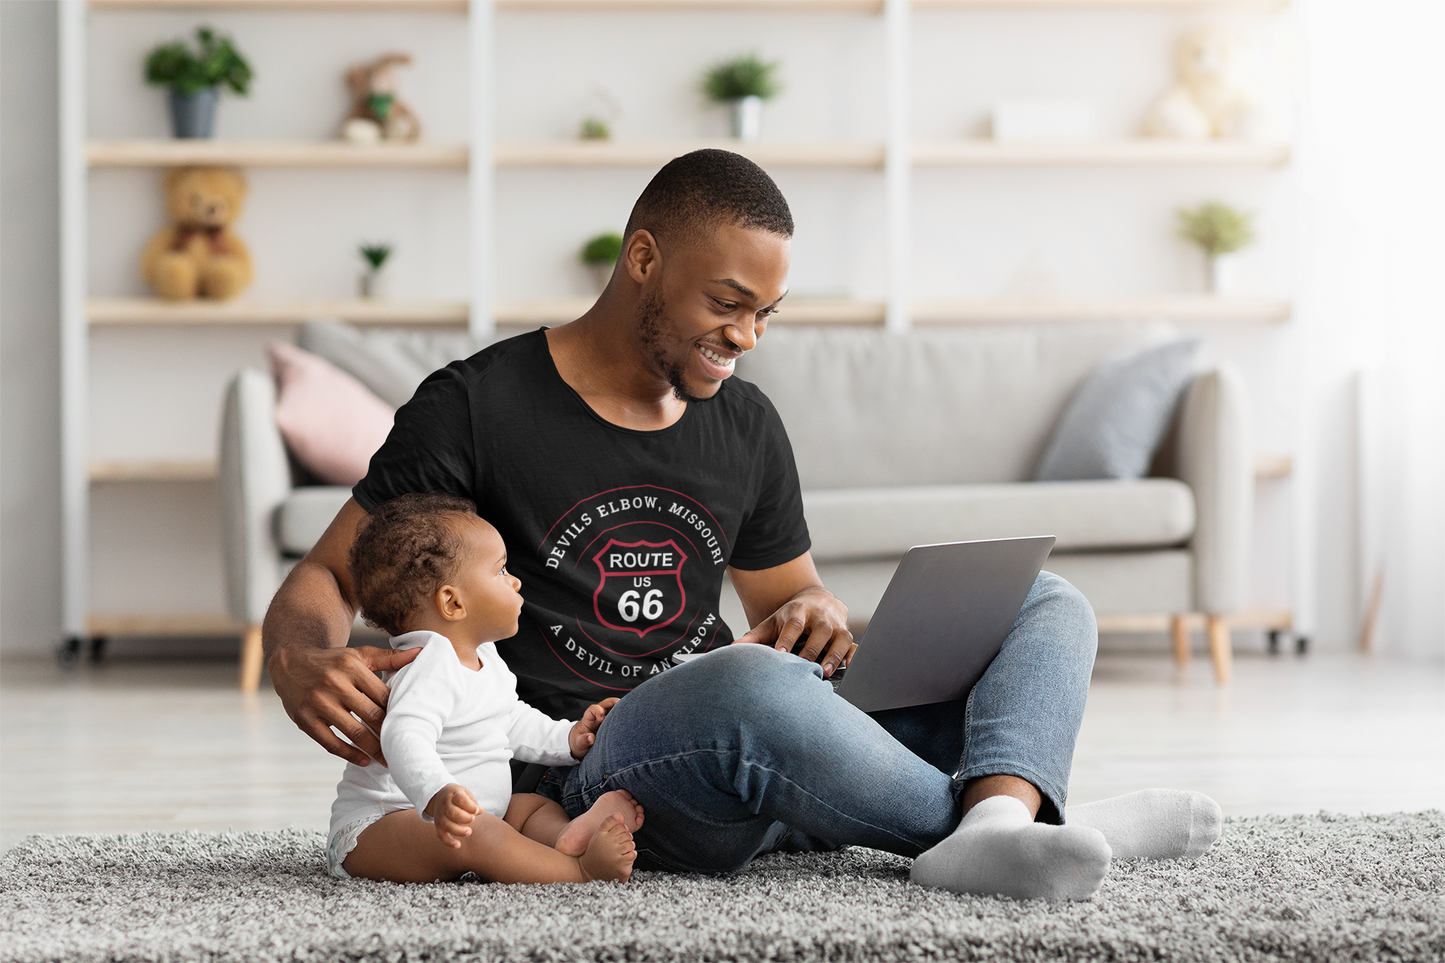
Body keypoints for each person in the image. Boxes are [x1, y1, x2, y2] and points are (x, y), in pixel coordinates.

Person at [266, 149, 1221, 901]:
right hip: (602, 774)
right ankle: (1015, 815)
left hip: (770, 742)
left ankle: (996, 824)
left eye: (765, 312)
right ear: (643, 258)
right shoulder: (476, 406)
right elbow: (325, 577)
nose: (745, 337)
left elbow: (790, 595)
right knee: (750, 690)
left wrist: (816, 612)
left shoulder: (747, 422)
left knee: (1044, 601)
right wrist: (299, 658)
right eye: (726, 304)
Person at [328, 492, 644, 884]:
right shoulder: (427, 665)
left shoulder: (485, 657)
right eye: (500, 571)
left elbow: (509, 719)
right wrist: (438, 795)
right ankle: (575, 871)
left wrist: (567, 738)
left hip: (470, 814)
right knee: (479, 834)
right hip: (381, 827)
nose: (515, 581)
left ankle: (564, 837)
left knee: (530, 807)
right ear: (453, 603)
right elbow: (402, 736)